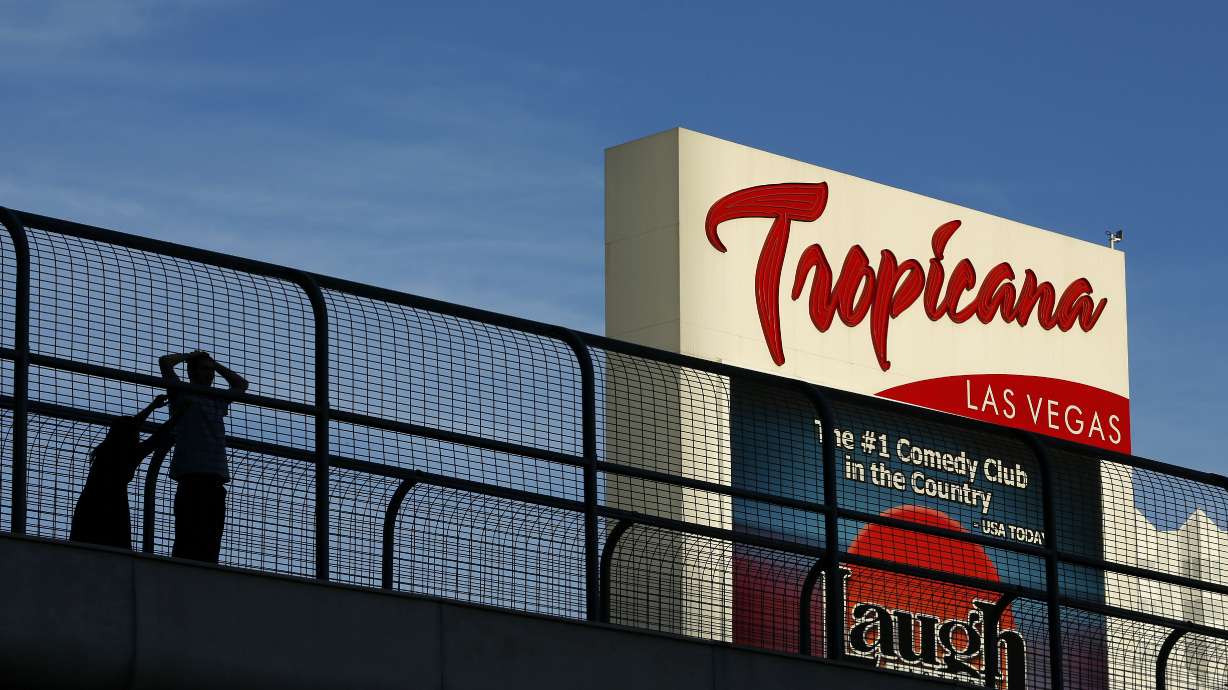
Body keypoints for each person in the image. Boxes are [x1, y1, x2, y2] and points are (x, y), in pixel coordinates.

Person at [159, 349, 248, 563]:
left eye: (211, 371)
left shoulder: (217, 398)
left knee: (211, 538)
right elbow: (165, 362)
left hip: (215, 478)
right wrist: (191, 355)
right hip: (191, 476)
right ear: (192, 372)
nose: (210, 374)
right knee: (187, 535)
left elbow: (241, 384)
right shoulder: (181, 393)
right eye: (204, 369)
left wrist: (214, 363)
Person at [70, 395, 183, 549]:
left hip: (89, 506)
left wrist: (152, 406)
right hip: (113, 508)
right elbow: (157, 437)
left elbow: (131, 425)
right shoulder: (130, 455)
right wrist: (180, 414)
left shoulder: (106, 450)